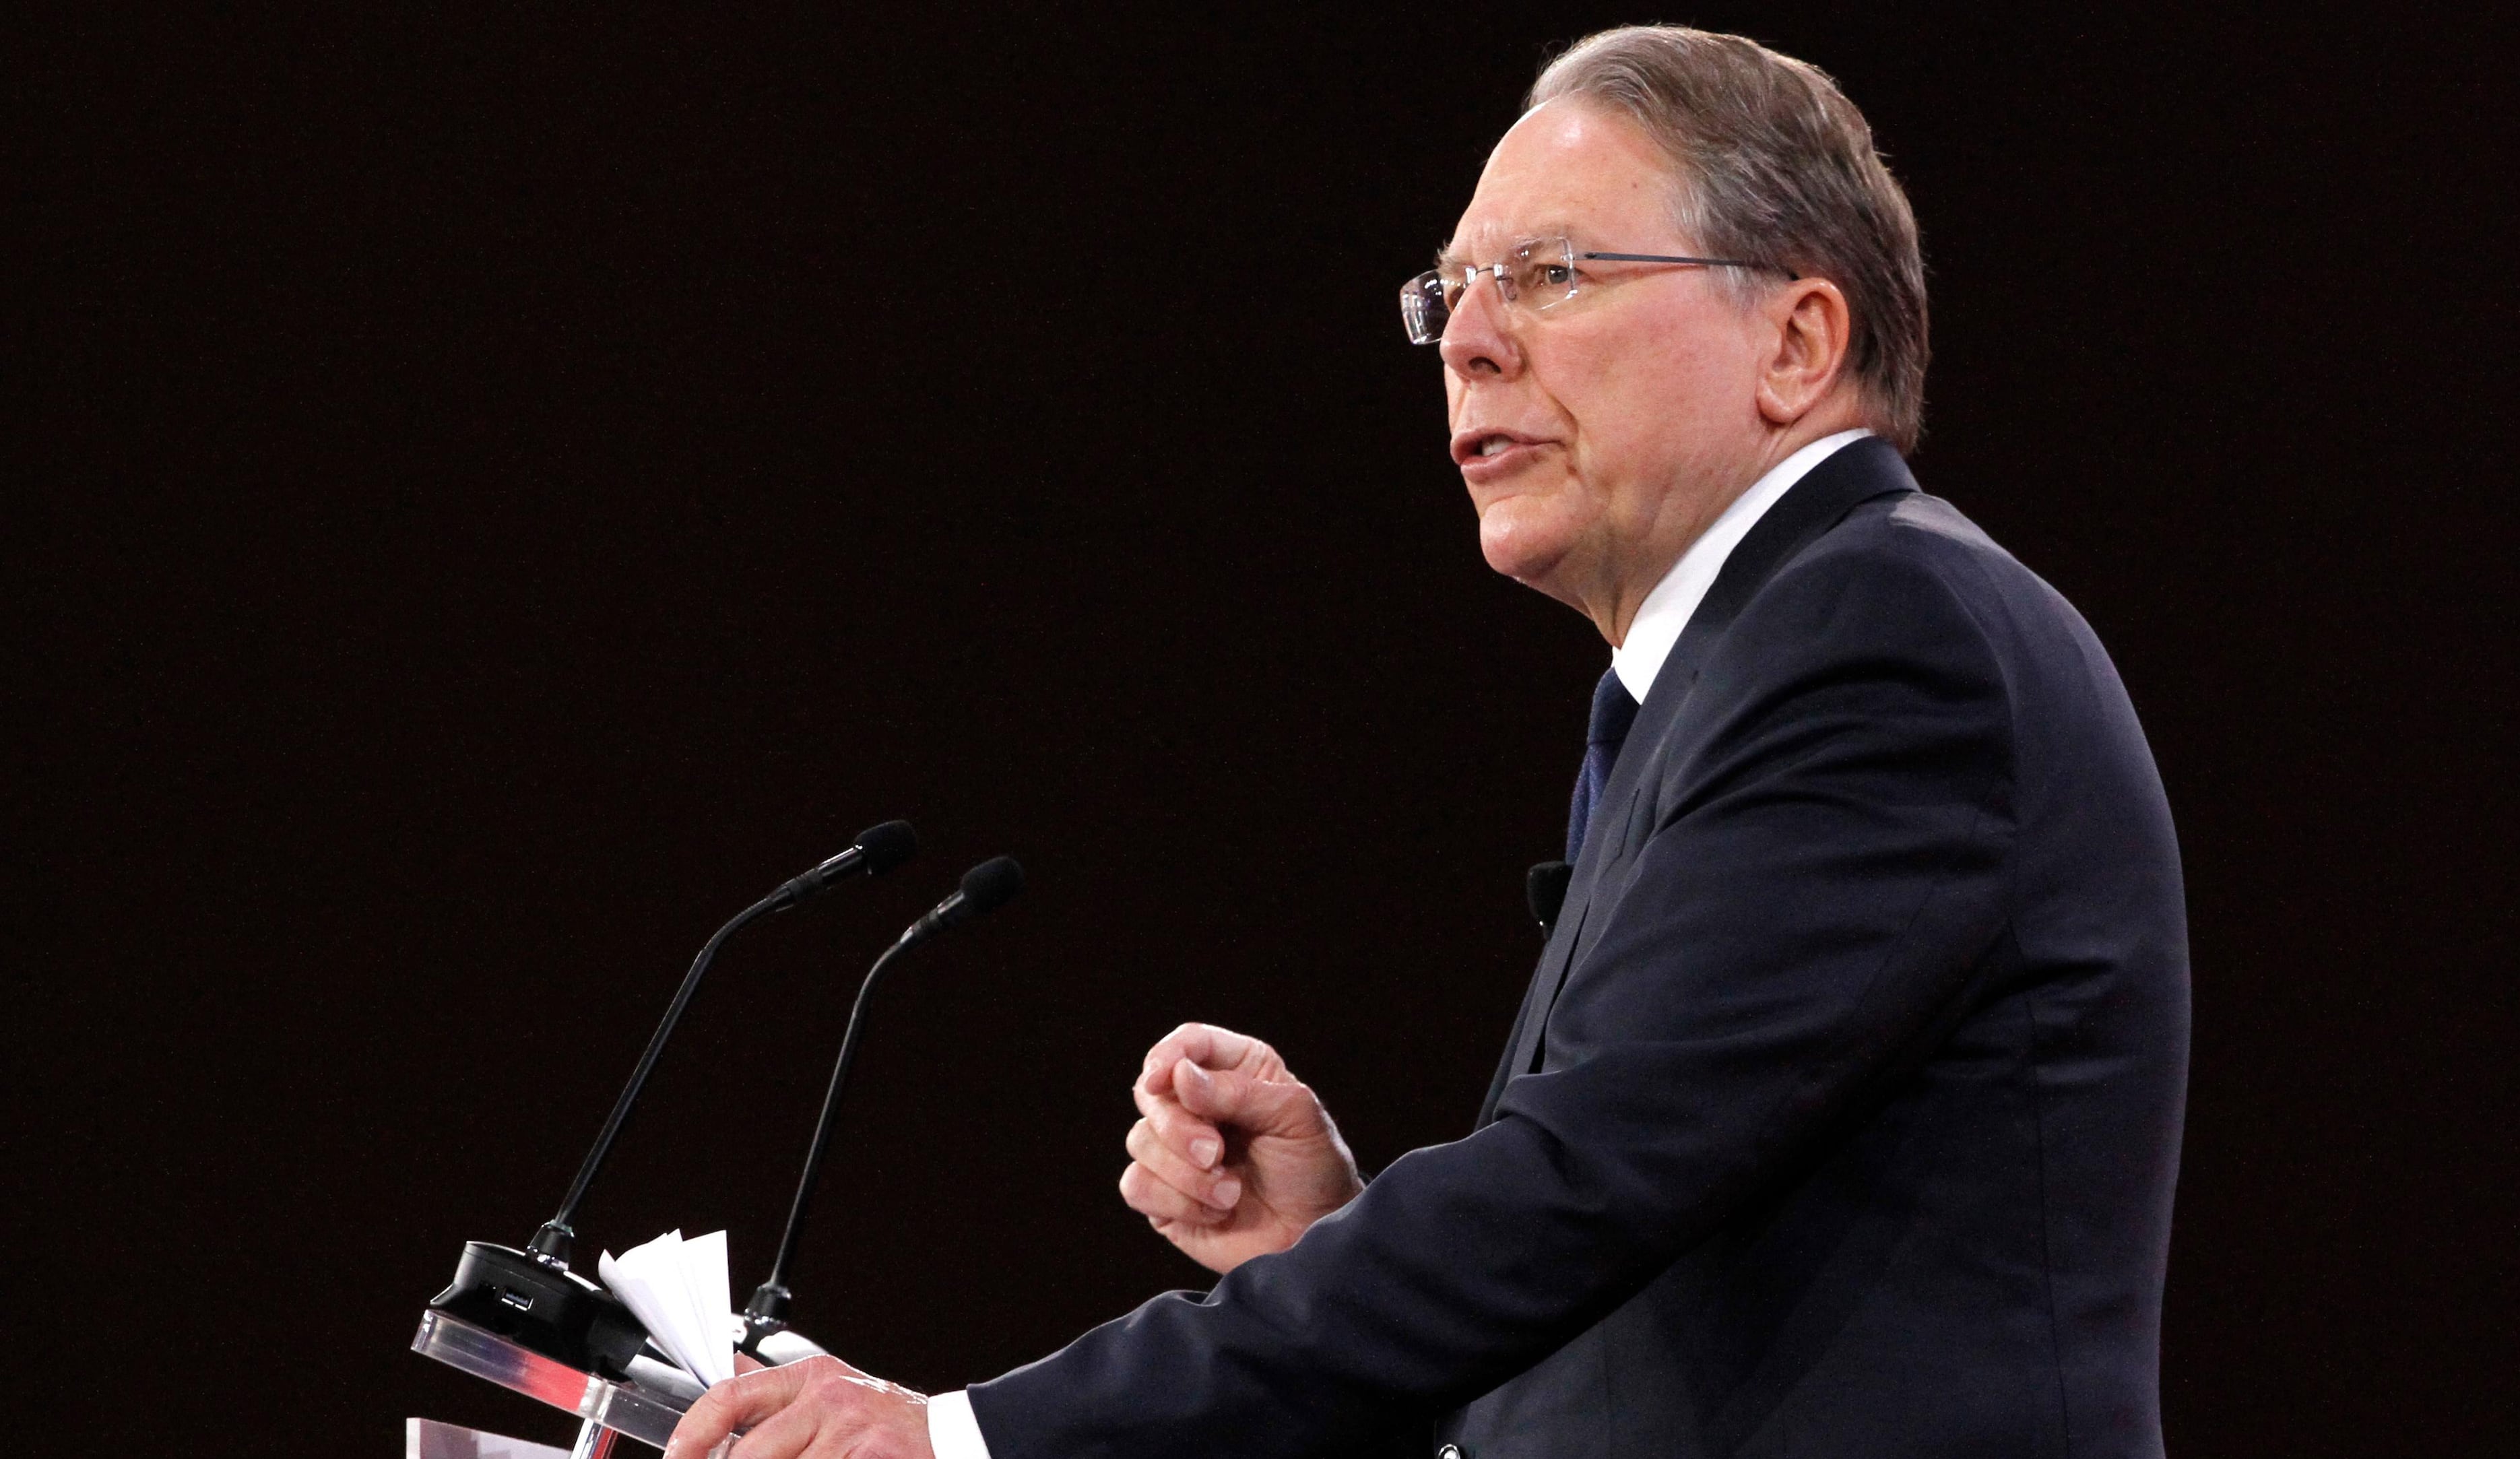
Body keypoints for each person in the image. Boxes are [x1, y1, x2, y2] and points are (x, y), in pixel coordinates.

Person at [669, 24, 2188, 1459]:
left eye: (1552, 273)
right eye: (1452, 290)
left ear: (1794, 339)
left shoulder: (1880, 636)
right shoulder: (1746, 667)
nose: (1466, 339)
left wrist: (957, 1437)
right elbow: (1645, 1230)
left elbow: (1580, 1188)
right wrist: (1332, 1243)